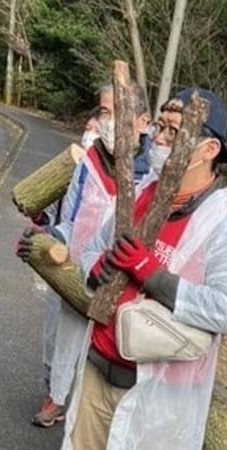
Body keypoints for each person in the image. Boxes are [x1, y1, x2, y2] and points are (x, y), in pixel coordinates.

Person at [33, 88, 227, 450]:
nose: (160, 138)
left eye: (176, 133)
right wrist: (98, 268)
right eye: (162, 127)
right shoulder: (141, 194)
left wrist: (152, 274)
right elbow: (92, 247)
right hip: (102, 356)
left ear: (207, 150)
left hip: (167, 379)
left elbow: (226, 309)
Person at [20, 83, 152, 428]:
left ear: (141, 122)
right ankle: (56, 395)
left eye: (117, 113)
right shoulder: (88, 163)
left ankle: (95, 412)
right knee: (63, 336)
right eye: (104, 112)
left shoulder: (155, 174)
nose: (108, 121)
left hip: (128, 277)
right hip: (80, 270)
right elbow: (72, 220)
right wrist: (49, 239)